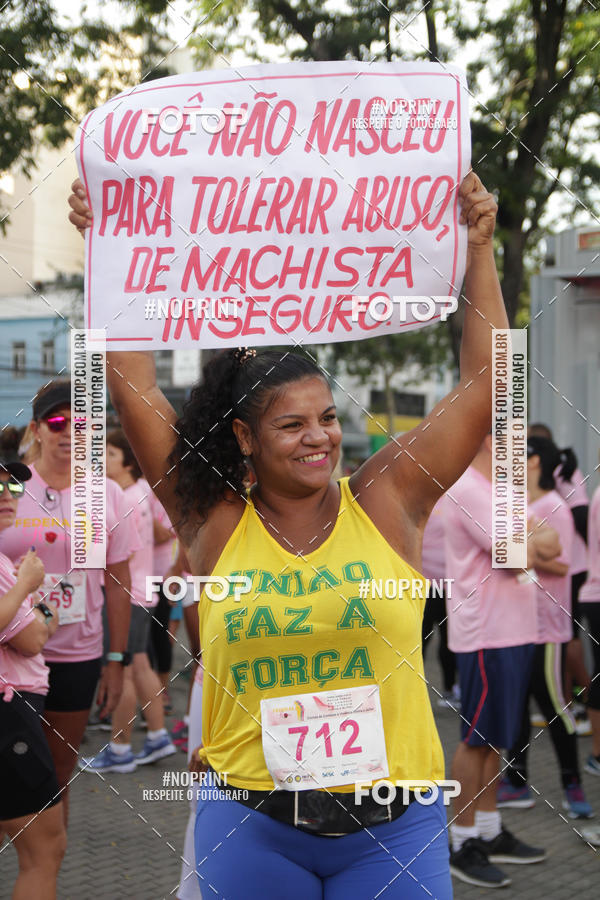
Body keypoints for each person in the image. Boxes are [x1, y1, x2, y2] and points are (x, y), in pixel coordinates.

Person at [71, 171, 504, 898]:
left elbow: (489, 382)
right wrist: (107, 247)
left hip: (394, 831)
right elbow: (133, 378)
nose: (319, 439)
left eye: (328, 418)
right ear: (243, 435)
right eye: (292, 424)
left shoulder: (388, 501)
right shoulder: (210, 521)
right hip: (251, 828)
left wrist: (481, 250)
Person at [0, 381, 138, 822]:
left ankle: (44, 868)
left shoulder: (108, 494)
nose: (69, 431)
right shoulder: (11, 486)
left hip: (76, 652)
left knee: (58, 774)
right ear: (37, 428)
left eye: (81, 422)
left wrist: (116, 658)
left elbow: (119, 583)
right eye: (57, 421)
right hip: (10, 658)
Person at [445, 433, 555, 888]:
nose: (520, 441)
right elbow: (518, 557)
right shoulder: (469, 488)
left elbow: (552, 546)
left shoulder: (501, 491)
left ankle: (488, 831)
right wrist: (529, 539)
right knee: (476, 738)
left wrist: (528, 537)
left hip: (514, 630)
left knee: (495, 740)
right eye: (508, 430)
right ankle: (460, 841)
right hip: (486, 634)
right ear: (488, 439)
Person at [499, 436, 593, 817]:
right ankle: (516, 781)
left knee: (555, 707)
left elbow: (562, 565)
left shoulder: (554, 507)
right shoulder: (518, 504)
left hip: (547, 628)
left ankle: (574, 787)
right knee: (517, 705)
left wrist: (520, 551)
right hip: (517, 624)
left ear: (533, 461)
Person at [79, 429, 176, 772]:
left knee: (129, 669)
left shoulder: (126, 497)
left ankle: (120, 749)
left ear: (127, 462)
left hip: (130, 593)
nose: (101, 460)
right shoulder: (138, 492)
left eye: (109, 455)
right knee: (140, 664)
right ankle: (157, 737)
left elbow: (108, 551)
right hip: (142, 591)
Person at [0, 455, 67, 900]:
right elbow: (27, 640)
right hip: (9, 715)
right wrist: (27, 587)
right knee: (45, 848)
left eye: (13, 487)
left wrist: (37, 612)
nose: (8, 496)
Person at [528, 424, 591, 720]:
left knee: (571, 641)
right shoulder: (536, 487)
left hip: (576, 569)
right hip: (562, 571)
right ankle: (566, 698)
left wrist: (594, 561)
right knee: (568, 642)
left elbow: (580, 515)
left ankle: (580, 700)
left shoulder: (561, 478)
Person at [421, 497, 458, 708]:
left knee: (439, 640)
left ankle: (449, 690)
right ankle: (448, 690)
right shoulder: (452, 501)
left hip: (441, 584)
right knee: (436, 640)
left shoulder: (425, 500)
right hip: (432, 584)